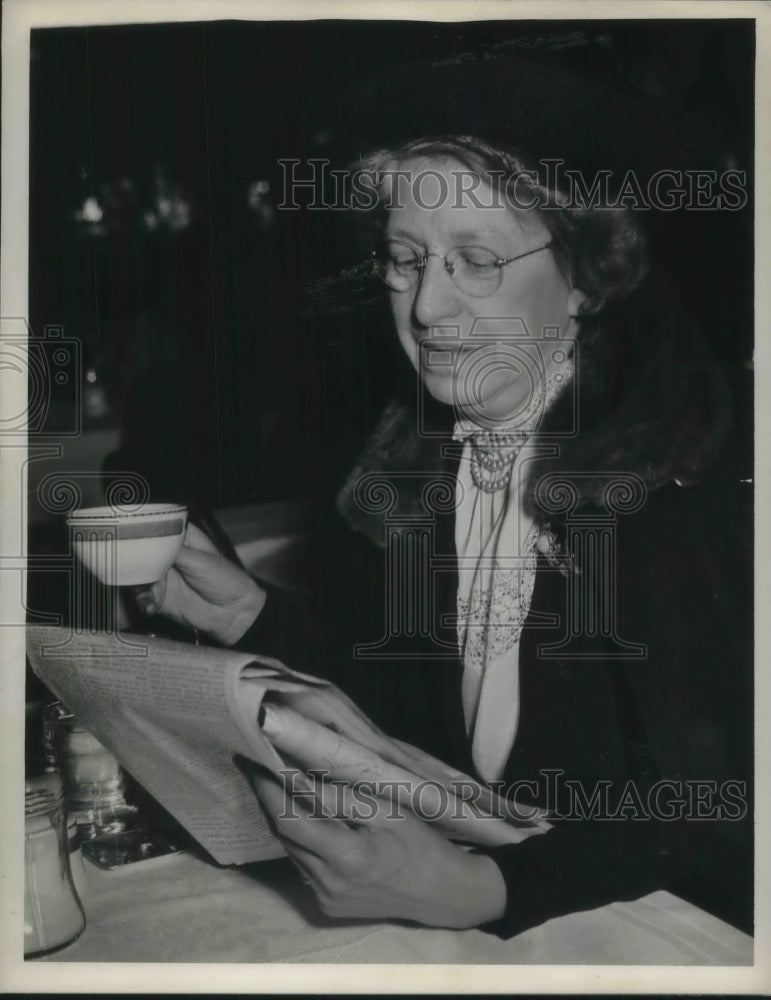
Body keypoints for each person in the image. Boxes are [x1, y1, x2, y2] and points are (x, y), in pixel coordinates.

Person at [135, 135, 752, 936]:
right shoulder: (421, 459)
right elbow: (418, 727)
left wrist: (487, 890)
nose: (426, 307)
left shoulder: (684, 476)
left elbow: (715, 805)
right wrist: (248, 615)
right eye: (405, 259)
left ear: (581, 280)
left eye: (474, 260)